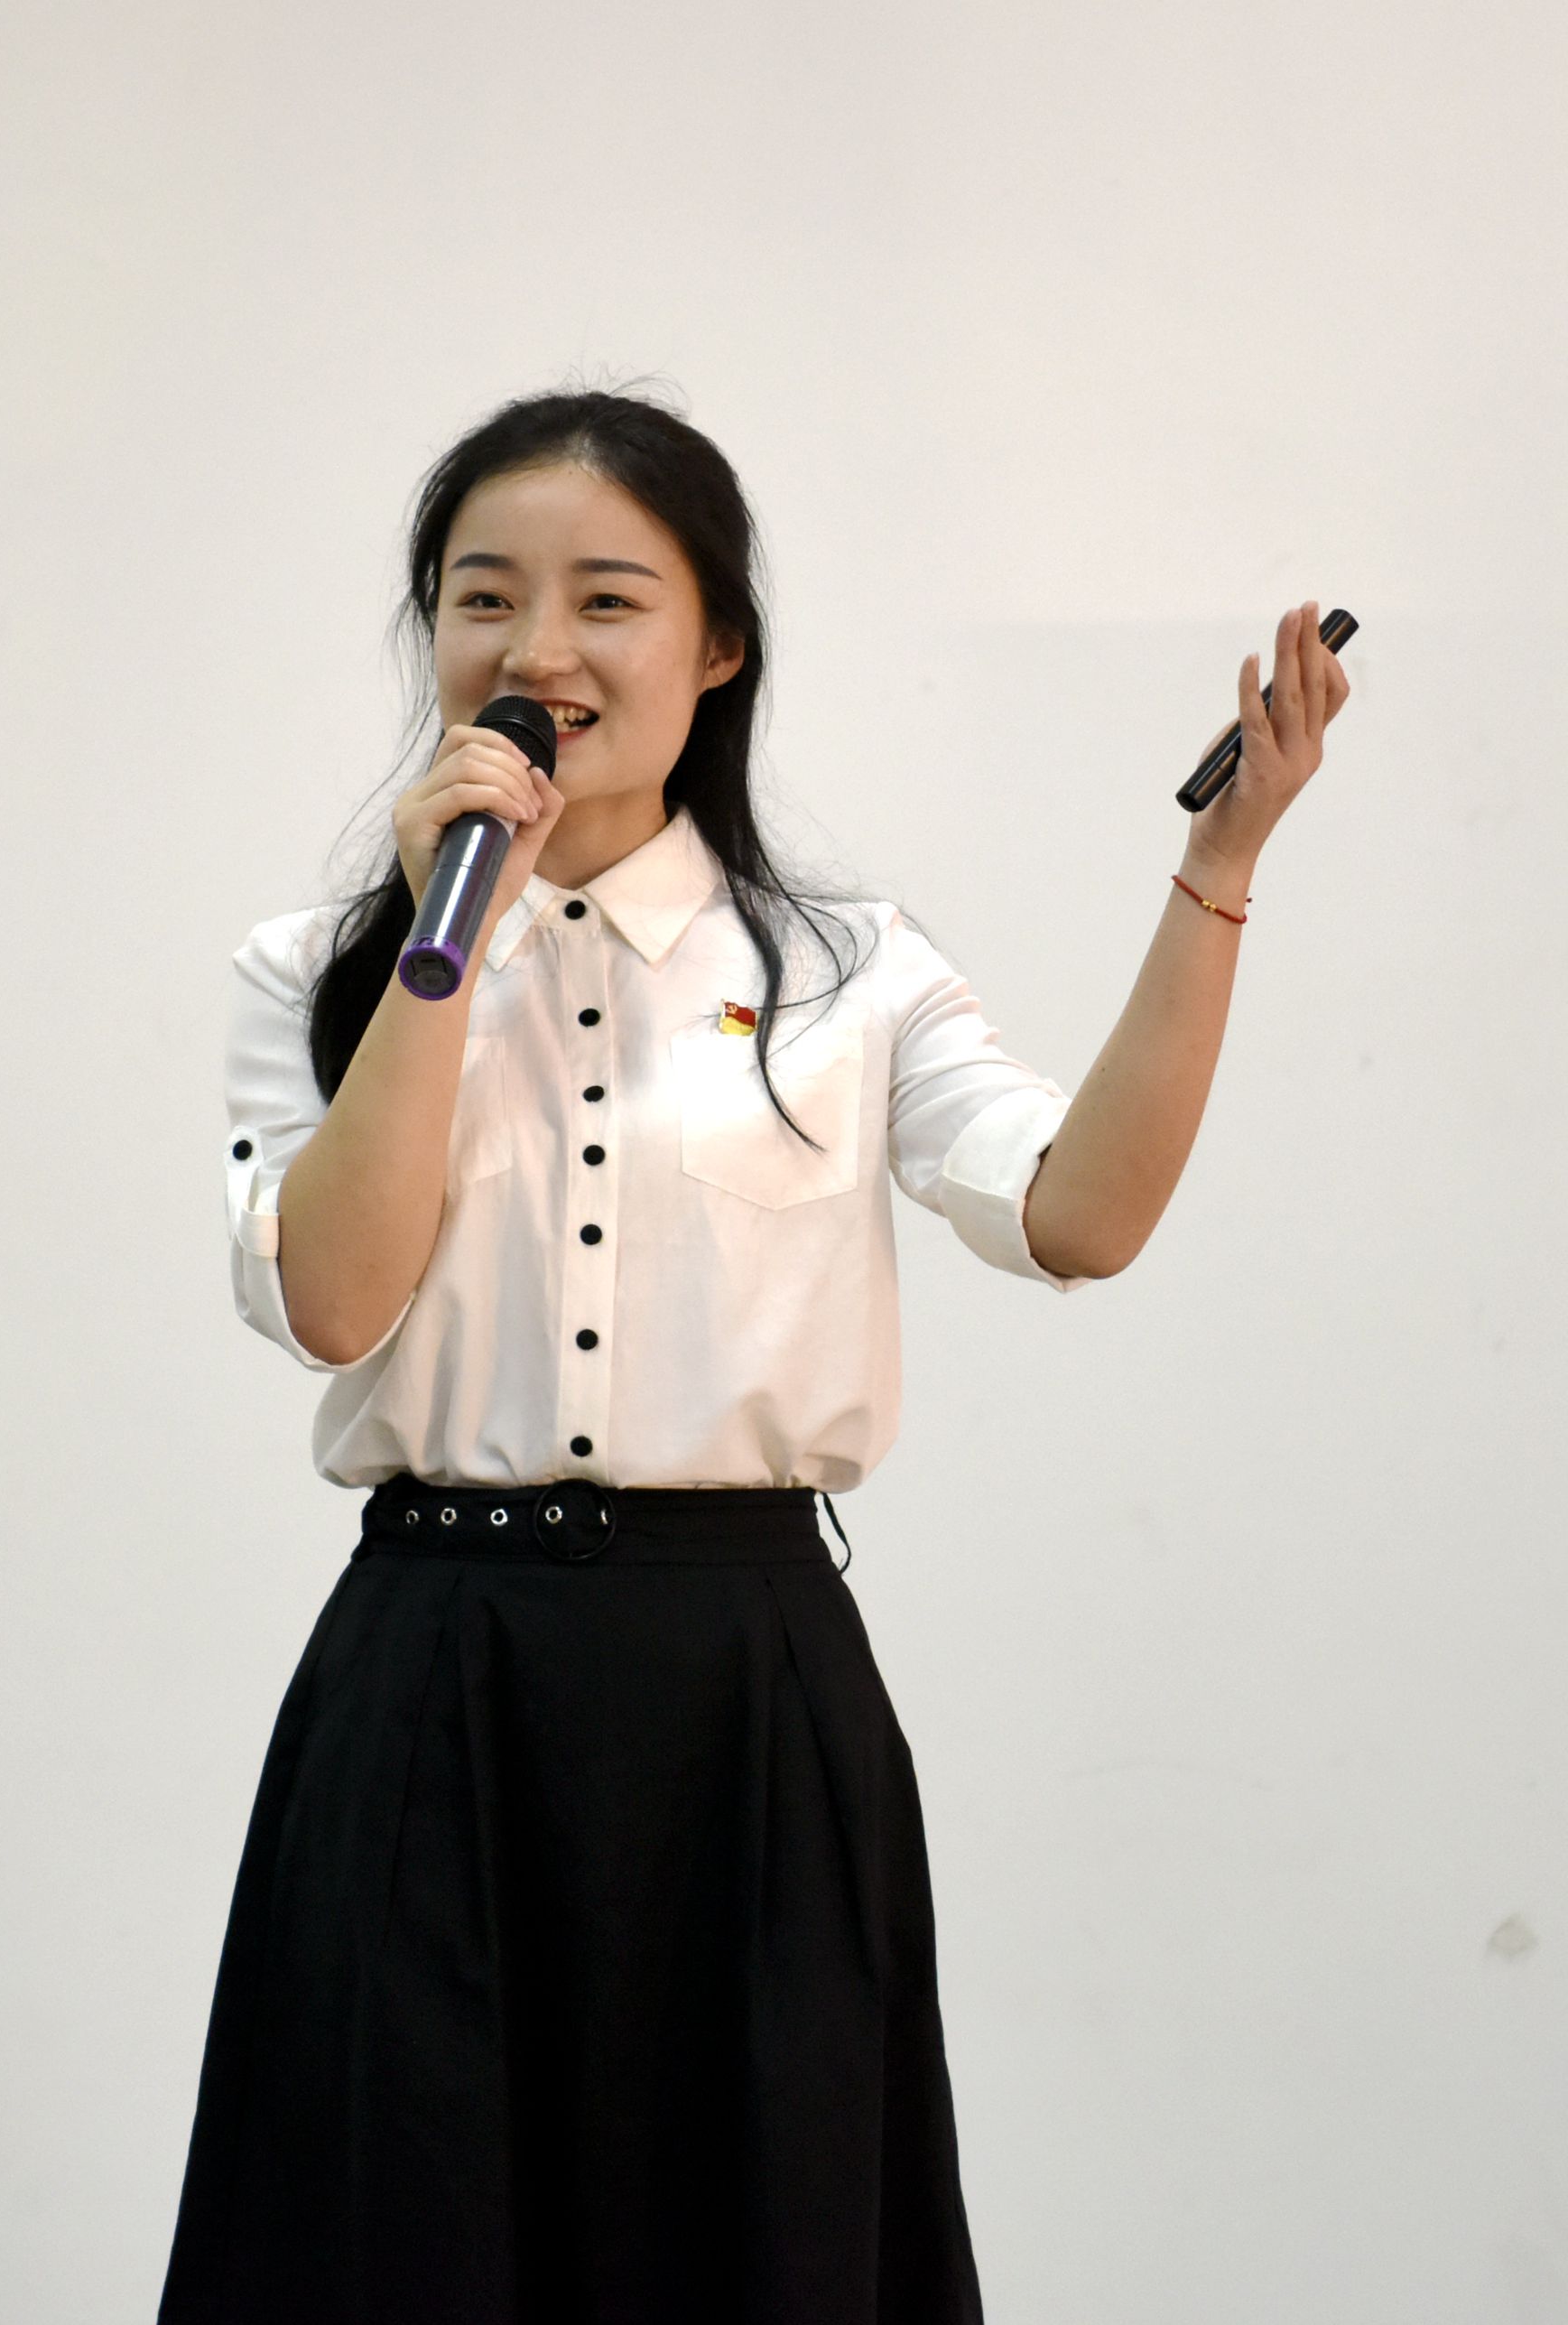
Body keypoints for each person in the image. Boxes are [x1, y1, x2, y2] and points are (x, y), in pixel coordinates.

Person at [156, 386, 1350, 2323]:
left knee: (759, 2244)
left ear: (716, 646)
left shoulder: (849, 974)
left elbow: (1081, 1213)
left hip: (744, 1692)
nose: (538, 650)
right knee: (397, 2234)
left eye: (606, 599)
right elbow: (336, 1303)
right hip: (434, 1674)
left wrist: (1219, 865)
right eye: (483, 598)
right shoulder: (315, 971)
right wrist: (453, 945)